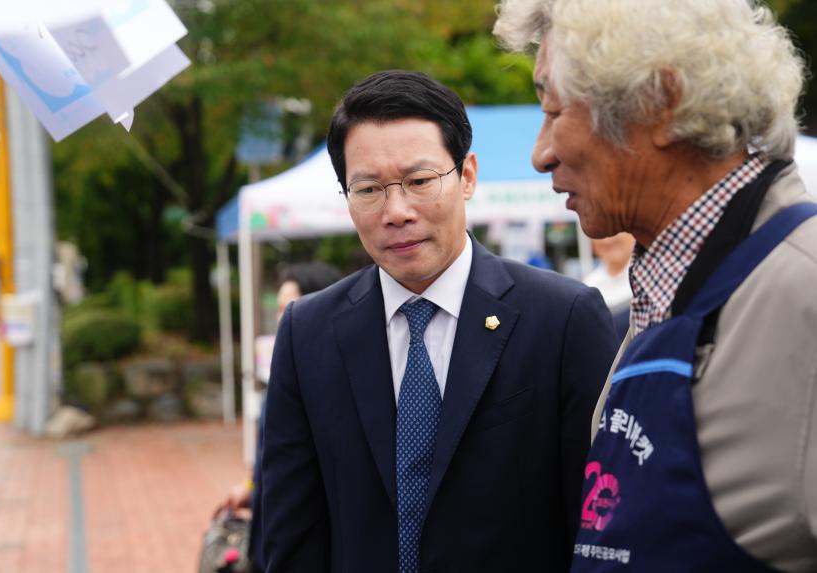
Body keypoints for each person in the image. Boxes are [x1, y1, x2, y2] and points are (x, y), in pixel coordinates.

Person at [494, 1, 817, 571]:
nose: (540, 154)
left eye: (553, 109)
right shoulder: (663, 292)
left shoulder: (803, 289)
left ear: (661, 104)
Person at [261, 70, 618, 573]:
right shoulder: (308, 333)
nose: (397, 210)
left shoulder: (562, 321)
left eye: (420, 181)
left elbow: (600, 525)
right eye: (368, 189)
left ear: (467, 175)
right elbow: (291, 534)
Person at [218, 262, 343, 573]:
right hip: (269, 530)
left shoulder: (335, 381)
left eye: (289, 307)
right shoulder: (288, 368)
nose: (281, 318)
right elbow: (275, 455)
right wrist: (250, 485)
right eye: (278, 309)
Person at [582, 233, 635, 339]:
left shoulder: (645, 280)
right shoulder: (589, 283)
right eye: (601, 235)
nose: (607, 241)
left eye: (615, 233)